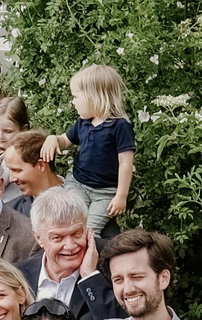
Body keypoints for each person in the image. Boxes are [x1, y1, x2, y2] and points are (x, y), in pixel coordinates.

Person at [38, 64, 136, 236]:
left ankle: (91, 254)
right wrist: (53, 139)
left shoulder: (120, 127)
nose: (73, 102)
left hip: (104, 193)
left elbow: (126, 163)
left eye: (76, 96)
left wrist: (121, 196)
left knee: (89, 231)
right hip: (78, 184)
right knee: (72, 222)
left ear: (94, 96)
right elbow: (65, 140)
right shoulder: (83, 123)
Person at [18, 187, 126, 320]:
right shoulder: (18, 275)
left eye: (77, 233)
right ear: (39, 238)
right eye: (58, 237)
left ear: (87, 228)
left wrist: (90, 276)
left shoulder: (113, 264)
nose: (70, 246)